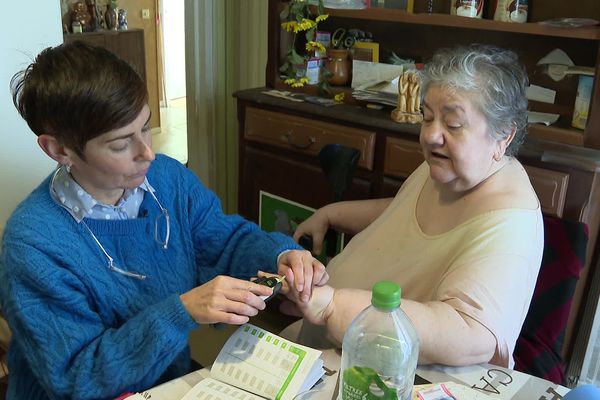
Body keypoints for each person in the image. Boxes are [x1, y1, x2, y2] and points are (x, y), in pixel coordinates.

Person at [0, 41, 327, 400]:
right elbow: (78, 378)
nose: (148, 152)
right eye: (122, 143)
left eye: (146, 127)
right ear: (59, 150)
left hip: (164, 383)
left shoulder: (168, 179)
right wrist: (180, 312)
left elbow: (226, 241)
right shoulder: (32, 246)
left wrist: (281, 257)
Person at [281, 44, 543, 369]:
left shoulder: (511, 222)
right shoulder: (450, 167)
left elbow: (470, 334)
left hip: (375, 372)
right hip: (328, 341)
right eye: (427, 116)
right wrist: (331, 214)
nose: (431, 135)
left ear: (503, 136)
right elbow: (403, 212)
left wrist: (333, 305)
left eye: (453, 124)